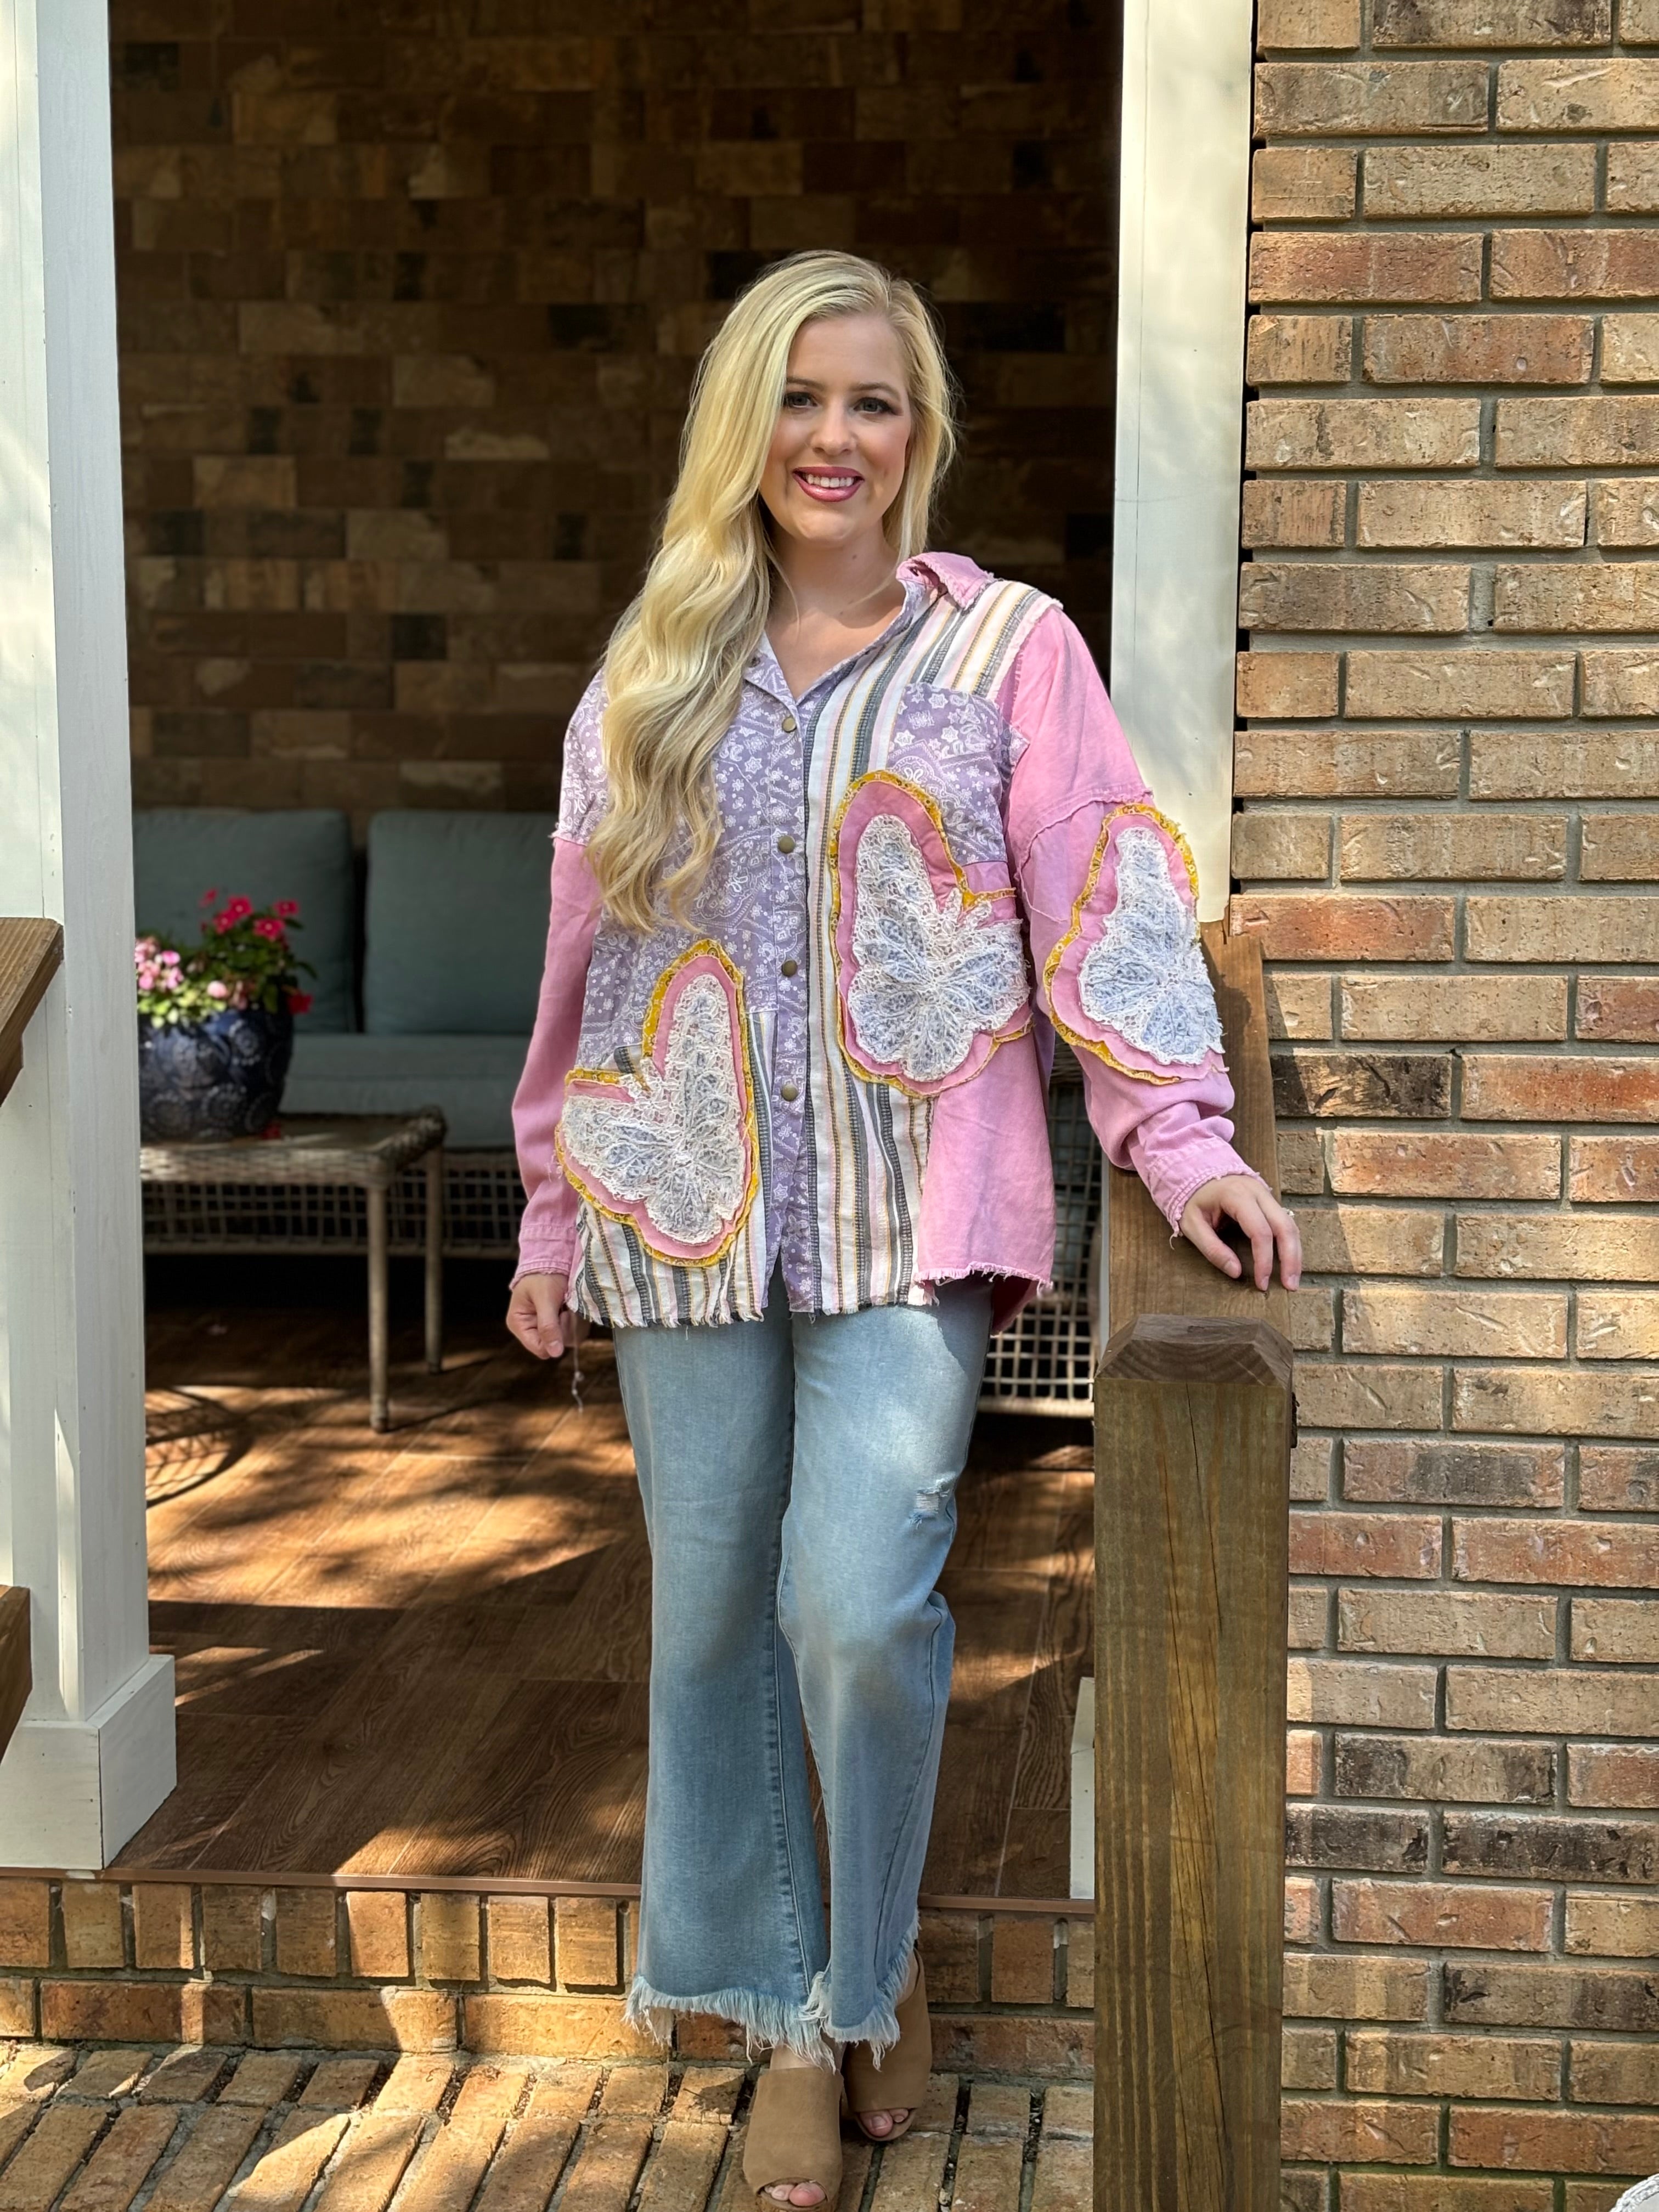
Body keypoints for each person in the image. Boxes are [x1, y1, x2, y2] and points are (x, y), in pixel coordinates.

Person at [506, 250, 1300, 2209]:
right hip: (682, 1216)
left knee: (855, 1613)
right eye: (797, 398)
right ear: (741, 433)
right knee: (709, 1629)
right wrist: (547, 1207)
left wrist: (1180, 1139)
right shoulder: (658, 664)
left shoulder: (1008, 651)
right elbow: (583, 966)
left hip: (911, 1219)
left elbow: (1098, 895)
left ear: (920, 435)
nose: (831, 438)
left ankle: (866, 1975)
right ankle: (805, 2014)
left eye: (870, 401)